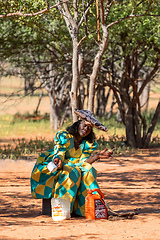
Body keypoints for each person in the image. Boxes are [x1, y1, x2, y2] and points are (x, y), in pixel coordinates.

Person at [30, 110, 111, 217]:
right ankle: (64, 209)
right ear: (78, 124)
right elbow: (60, 152)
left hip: (75, 165)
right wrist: (58, 159)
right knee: (72, 172)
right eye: (84, 125)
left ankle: (88, 208)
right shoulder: (65, 137)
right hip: (57, 163)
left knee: (89, 170)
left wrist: (97, 157)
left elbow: (83, 162)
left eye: (89, 128)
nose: (86, 129)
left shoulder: (88, 144)